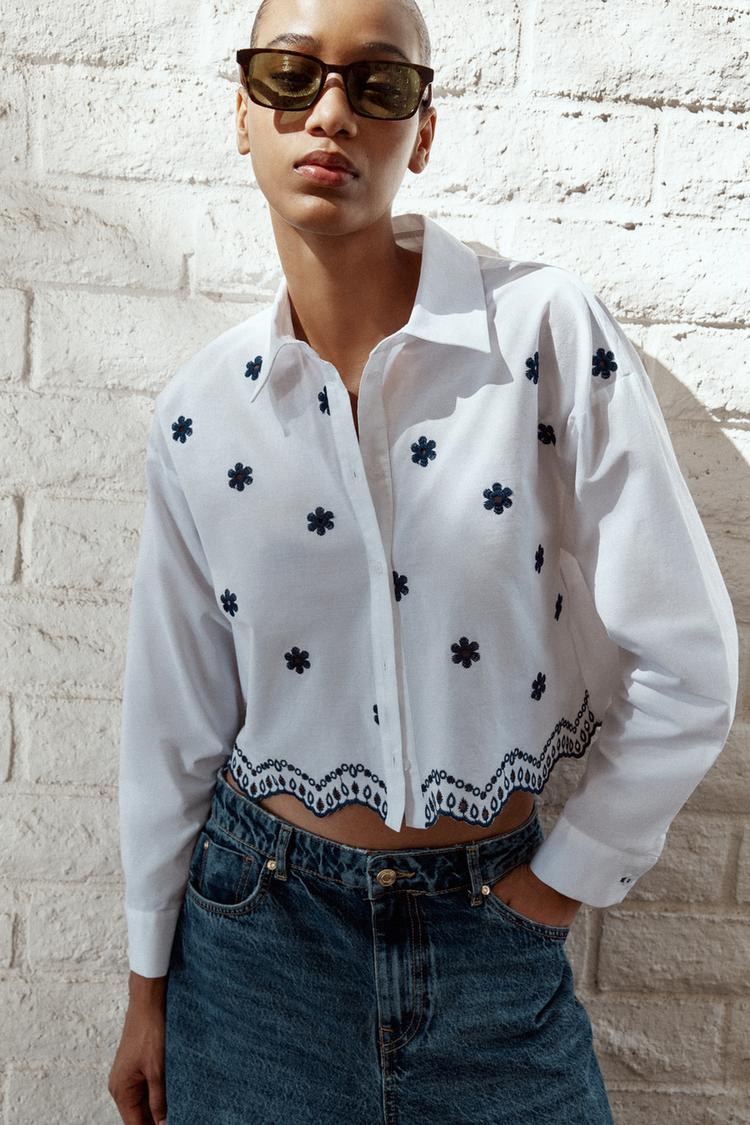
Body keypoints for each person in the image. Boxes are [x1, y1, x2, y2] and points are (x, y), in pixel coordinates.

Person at [108, 0, 739, 1121]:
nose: (332, 113)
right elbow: (175, 715)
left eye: (379, 85)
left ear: (425, 129)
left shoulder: (543, 339)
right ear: (242, 114)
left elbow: (687, 660)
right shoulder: (203, 414)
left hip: (494, 945)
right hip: (257, 950)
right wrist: (146, 983)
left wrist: (555, 891)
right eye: (291, 77)